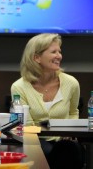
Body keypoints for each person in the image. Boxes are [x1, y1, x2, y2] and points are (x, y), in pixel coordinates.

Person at [11, 33, 85, 169]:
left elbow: (73, 112)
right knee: (43, 151)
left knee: (69, 149)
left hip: (64, 142)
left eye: (59, 52)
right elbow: (26, 124)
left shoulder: (71, 83)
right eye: (53, 52)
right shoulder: (19, 87)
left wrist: (69, 133)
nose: (59, 56)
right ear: (37, 57)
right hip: (36, 141)